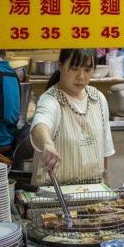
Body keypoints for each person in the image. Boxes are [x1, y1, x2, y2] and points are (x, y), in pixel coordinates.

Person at [30, 48, 114, 186]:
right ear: (61, 65)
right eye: (74, 68)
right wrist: (47, 144)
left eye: (87, 70)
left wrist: (106, 185)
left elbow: (104, 150)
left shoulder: (98, 99)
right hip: (53, 197)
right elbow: (40, 123)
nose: (81, 76)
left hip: (92, 195)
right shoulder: (51, 99)